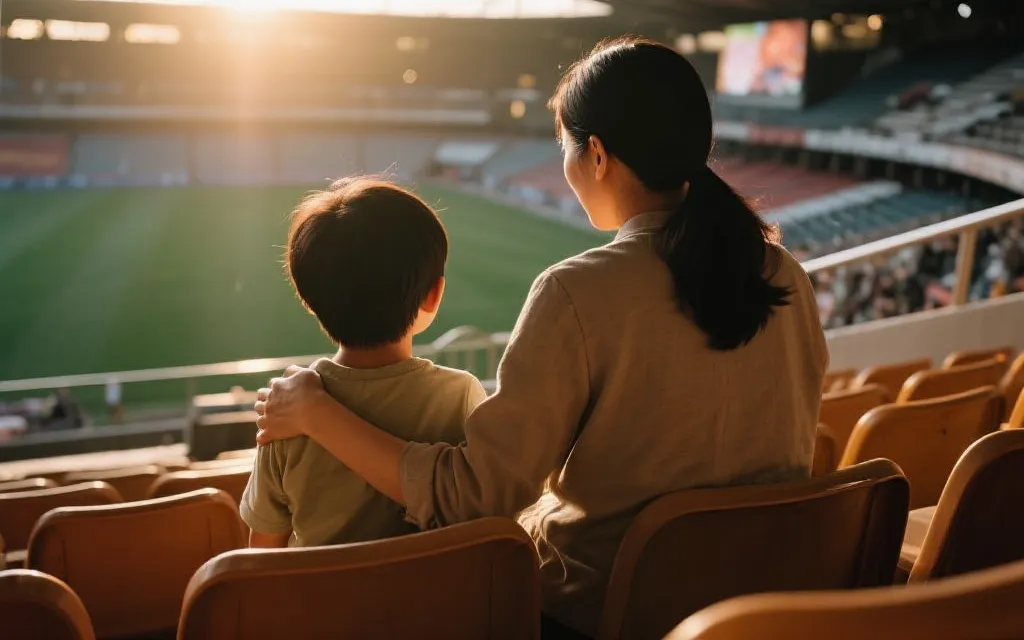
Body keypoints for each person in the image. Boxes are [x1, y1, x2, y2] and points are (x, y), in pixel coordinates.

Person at [254, 37, 827, 637]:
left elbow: (475, 499)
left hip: (610, 613)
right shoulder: (784, 272)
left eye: (564, 147)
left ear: (597, 155)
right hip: (769, 605)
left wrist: (318, 412)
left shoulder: (575, 291)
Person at [240, 178, 487, 549]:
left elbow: (262, 553)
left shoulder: (284, 409)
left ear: (309, 300)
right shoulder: (461, 395)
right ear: (434, 294)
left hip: (320, 589)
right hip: (433, 589)